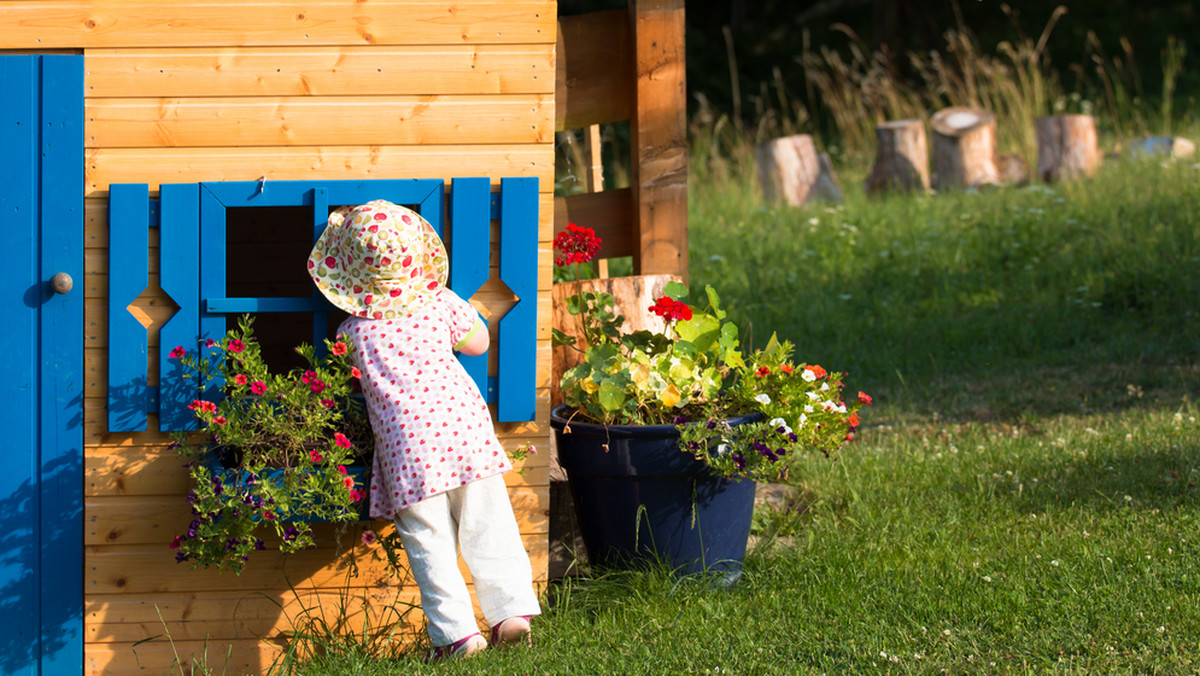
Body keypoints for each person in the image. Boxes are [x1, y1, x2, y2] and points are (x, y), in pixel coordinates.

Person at [308, 199, 540, 660]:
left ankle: (458, 638)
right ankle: (510, 613)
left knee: (428, 543)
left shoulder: (352, 332)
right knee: (489, 524)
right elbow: (478, 345)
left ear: (351, 277)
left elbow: (337, 376)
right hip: (464, 432)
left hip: (407, 451)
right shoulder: (441, 304)